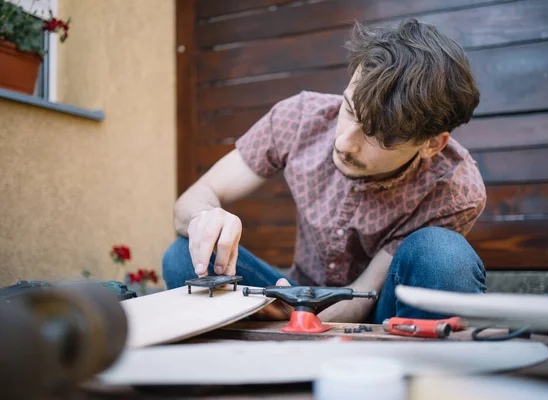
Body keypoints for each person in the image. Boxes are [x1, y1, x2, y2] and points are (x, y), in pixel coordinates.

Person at [162, 19, 487, 323]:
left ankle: (422, 379)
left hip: (376, 309)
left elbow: (364, 296)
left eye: (377, 136)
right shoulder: (300, 117)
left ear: (431, 144)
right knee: (183, 256)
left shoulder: (455, 189)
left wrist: (298, 321)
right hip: (292, 292)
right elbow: (192, 201)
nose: (344, 143)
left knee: (443, 256)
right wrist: (206, 219)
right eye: (349, 110)